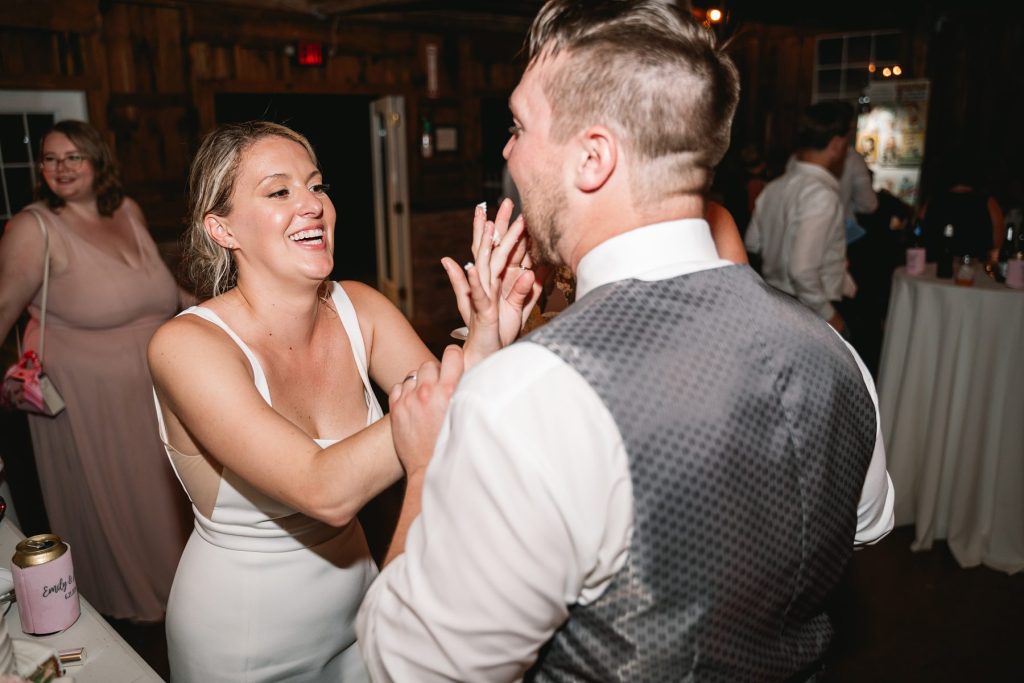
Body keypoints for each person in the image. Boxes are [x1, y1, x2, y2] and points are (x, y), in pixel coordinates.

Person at [357, 2, 895, 681]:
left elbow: (410, 668)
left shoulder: (531, 396)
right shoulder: (835, 354)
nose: (507, 152)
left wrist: (430, 463)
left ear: (592, 157)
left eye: (519, 126)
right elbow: (863, 524)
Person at [146, 120, 538, 682]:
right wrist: (472, 359)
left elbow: (459, 422)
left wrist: (490, 337)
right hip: (245, 639)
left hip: (361, 604)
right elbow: (322, 488)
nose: (312, 205)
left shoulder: (362, 307)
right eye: (279, 191)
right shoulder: (186, 346)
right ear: (222, 228)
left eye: (317, 186)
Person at [0, 119, 191, 622]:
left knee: (169, 497)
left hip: (157, 389)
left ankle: (190, 596)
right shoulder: (34, 226)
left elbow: (164, 293)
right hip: (89, 399)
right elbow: (3, 308)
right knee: (123, 506)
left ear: (98, 162)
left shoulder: (128, 210)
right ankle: (137, 607)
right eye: (49, 158)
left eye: (72, 157)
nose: (60, 168)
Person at [745, 101, 857, 335]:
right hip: (809, 311)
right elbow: (801, 271)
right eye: (847, 143)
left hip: (776, 301)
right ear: (836, 144)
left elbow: (753, 242)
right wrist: (831, 317)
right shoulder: (822, 195)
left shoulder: (774, 187)